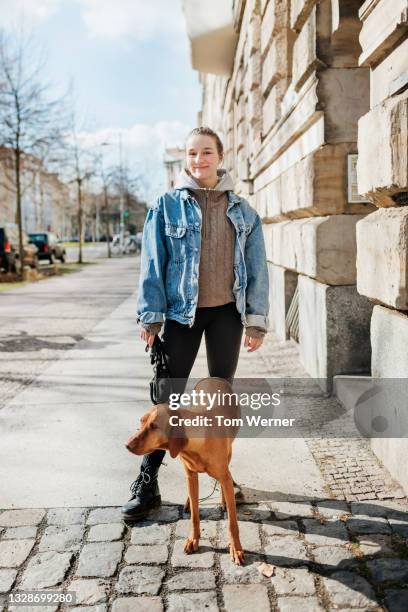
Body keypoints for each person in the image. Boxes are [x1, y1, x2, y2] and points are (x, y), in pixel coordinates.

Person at [121, 126, 269, 521]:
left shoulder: (244, 212)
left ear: (220, 156)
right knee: (166, 402)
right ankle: (147, 483)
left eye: (206, 152)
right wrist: (150, 317)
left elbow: (257, 270)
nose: (198, 160)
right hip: (179, 316)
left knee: (221, 402)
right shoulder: (165, 206)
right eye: (191, 153)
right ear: (185, 159)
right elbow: (152, 265)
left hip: (226, 315)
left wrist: (255, 321)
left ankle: (222, 474)